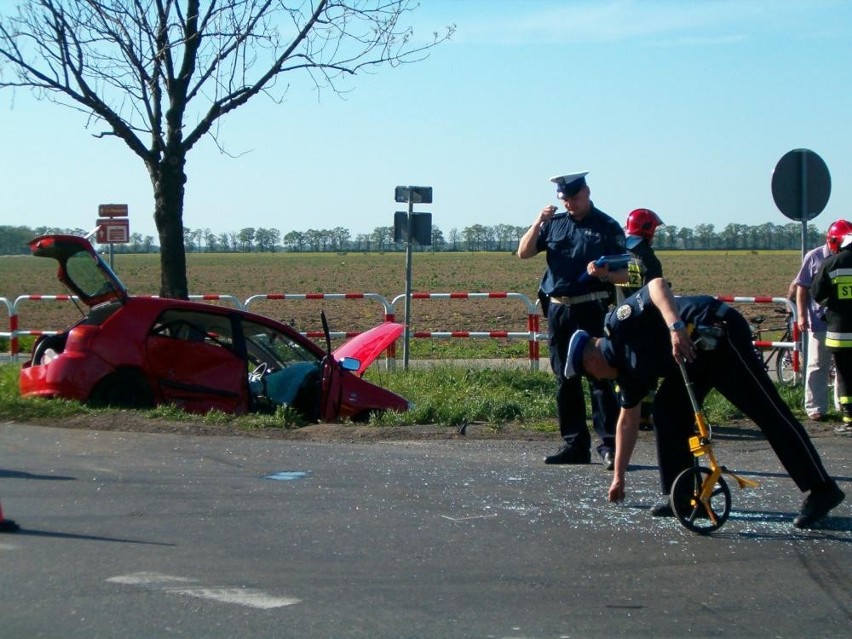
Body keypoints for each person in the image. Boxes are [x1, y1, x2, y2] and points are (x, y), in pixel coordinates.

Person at [563, 277, 845, 529]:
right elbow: (627, 421)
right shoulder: (627, 374)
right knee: (667, 413)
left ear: (592, 360)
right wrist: (619, 478)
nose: (597, 380)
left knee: (767, 411)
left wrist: (675, 327)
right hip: (691, 361)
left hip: (716, 333)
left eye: (592, 376)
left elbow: (657, 286)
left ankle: (822, 490)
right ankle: (683, 496)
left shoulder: (619, 323)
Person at [517, 171, 625, 469]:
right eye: (565, 200)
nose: (570, 205)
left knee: (600, 378)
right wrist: (538, 221)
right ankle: (574, 444)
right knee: (565, 380)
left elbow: (626, 272)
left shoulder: (607, 226)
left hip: (591, 309)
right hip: (559, 310)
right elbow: (523, 252)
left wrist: (605, 274)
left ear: (587, 192)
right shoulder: (554, 224)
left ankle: (610, 446)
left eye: (574, 199)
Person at [794, 219, 850, 421]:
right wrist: (801, 315)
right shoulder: (815, 257)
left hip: (842, 322)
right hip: (818, 321)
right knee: (817, 364)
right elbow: (802, 287)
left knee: (843, 367)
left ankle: (841, 405)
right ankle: (816, 407)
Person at [615, 208, 665, 431]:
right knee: (647, 370)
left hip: (617, 318)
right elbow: (655, 290)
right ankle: (644, 416)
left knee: (621, 370)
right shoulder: (647, 256)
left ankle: (621, 413)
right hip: (644, 321)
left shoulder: (617, 250)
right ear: (647, 230)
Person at [812, 231, 852, 434]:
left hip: (840, 332)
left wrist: (833, 304)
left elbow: (817, 294)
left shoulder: (831, 263)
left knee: (845, 376)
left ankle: (849, 418)